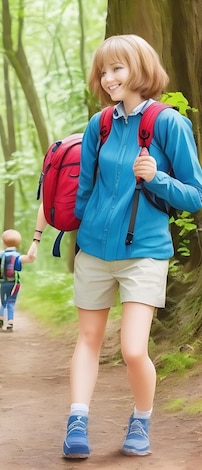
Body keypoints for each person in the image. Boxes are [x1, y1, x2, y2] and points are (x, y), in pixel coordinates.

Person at [55, 34, 202, 459]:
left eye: (117, 68)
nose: (108, 77)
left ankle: (141, 418)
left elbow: (194, 194)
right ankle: (77, 421)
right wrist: (79, 238)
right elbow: (84, 190)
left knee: (133, 348)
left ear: (139, 68)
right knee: (88, 339)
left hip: (145, 252)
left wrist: (156, 176)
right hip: (95, 251)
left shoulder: (168, 123)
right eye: (103, 70)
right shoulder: (98, 124)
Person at [0, 229, 37, 332]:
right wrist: (35, 245)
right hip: (14, 283)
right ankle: (10, 322)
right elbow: (29, 258)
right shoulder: (17, 256)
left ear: (3, 242)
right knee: (11, 302)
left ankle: (0, 317)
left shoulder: (1, 255)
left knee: (3, 301)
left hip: (3, 283)